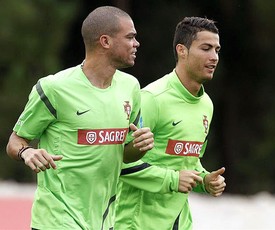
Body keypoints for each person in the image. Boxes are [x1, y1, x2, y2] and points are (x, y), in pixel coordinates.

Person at [6, 6, 155, 230]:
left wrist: (140, 146)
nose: (136, 43)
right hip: (56, 220)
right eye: (130, 37)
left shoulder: (130, 87)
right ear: (105, 41)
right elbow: (14, 142)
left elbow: (124, 153)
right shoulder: (54, 88)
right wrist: (27, 152)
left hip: (104, 220)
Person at [115, 17, 226, 230]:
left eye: (217, 50)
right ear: (181, 50)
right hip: (137, 223)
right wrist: (173, 180)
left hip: (180, 223)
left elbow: (188, 163)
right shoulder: (152, 99)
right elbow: (117, 162)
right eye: (206, 48)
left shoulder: (206, 104)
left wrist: (205, 181)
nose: (214, 57)